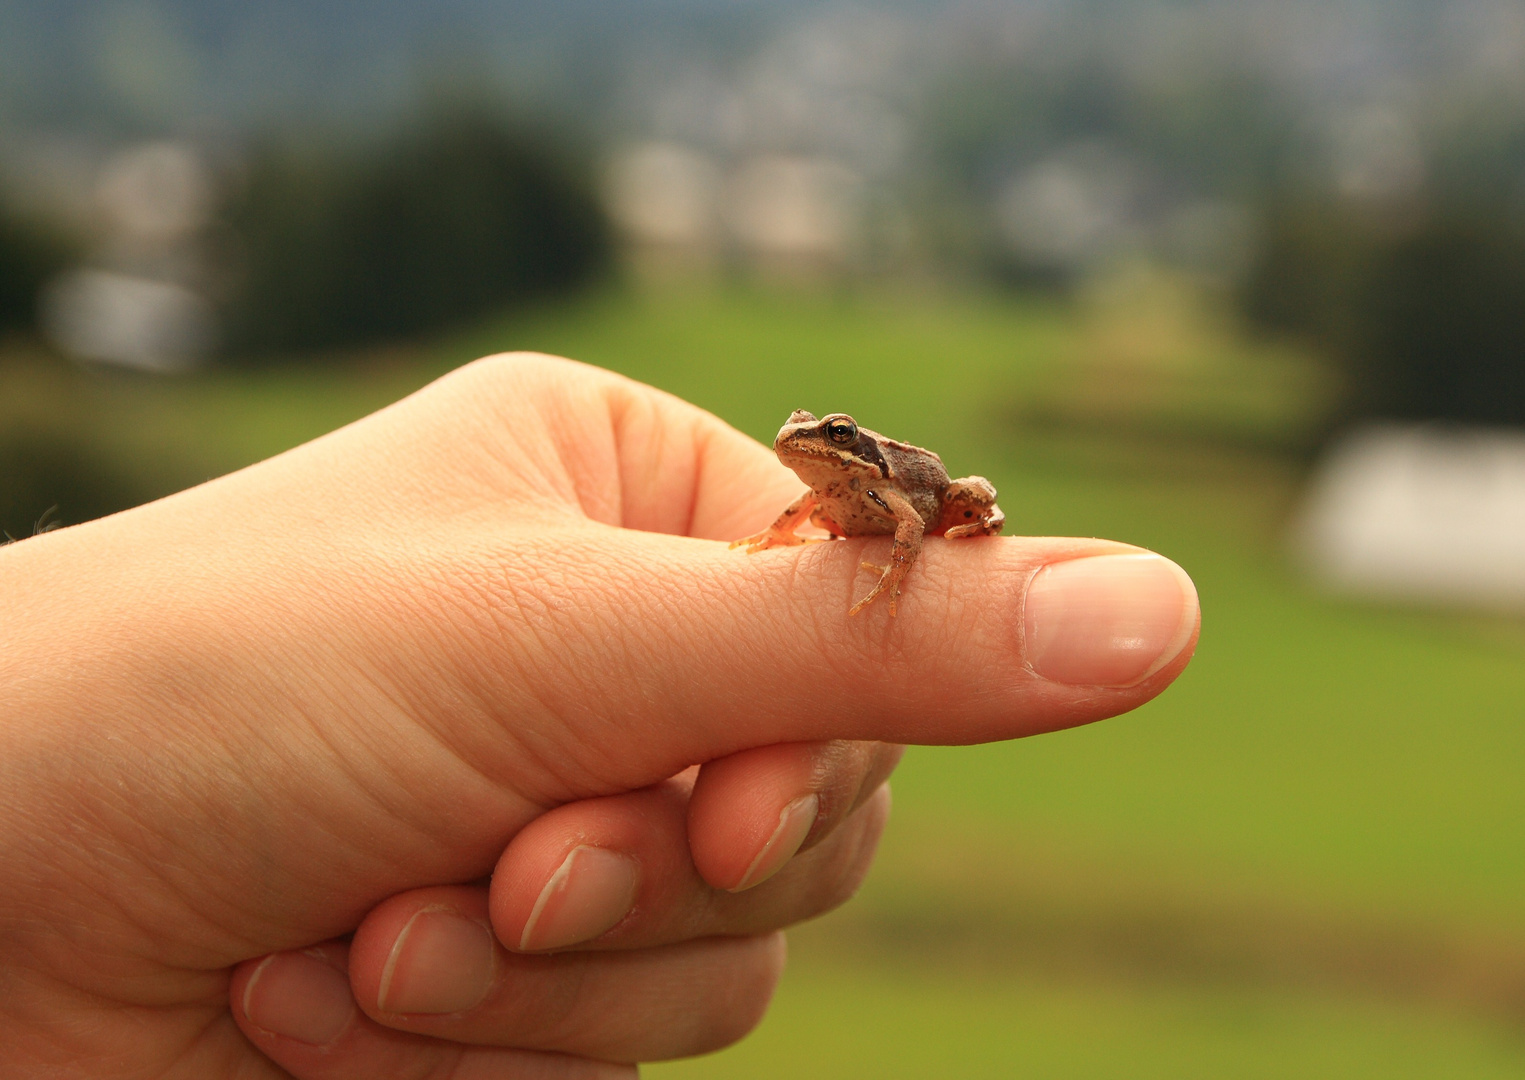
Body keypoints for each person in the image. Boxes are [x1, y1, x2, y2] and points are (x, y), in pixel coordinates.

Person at [0, 353, 1199, 1078]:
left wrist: (908, 574)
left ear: (850, 448)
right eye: (804, 439)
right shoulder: (813, 494)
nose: (805, 449)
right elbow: (793, 526)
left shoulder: (883, 482)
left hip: (943, 509)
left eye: (824, 440)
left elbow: (902, 525)